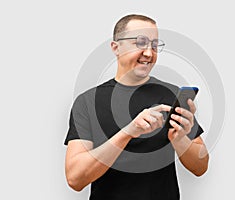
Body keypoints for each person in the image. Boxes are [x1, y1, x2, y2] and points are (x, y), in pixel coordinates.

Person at [64, 14, 209, 200]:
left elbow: (201, 167)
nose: (149, 53)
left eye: (155, 45)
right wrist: (128, 132)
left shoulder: (171, 95)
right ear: (116, 48)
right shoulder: (87, 101)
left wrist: (180, 140)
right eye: (140, 43)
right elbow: (75, 179)